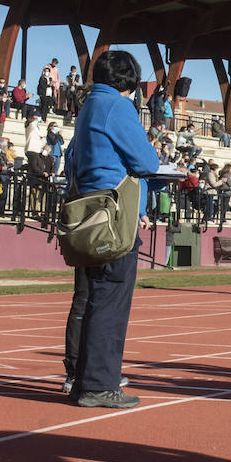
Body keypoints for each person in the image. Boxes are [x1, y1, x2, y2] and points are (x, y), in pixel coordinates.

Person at [63, 50, 159, 409]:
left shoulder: (88, 106)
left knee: (90, 299)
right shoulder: (118, 107)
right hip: (115, 213)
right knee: (111, 298)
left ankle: (83, 379)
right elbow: (147, 161)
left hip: (88, 209)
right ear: (128, 81)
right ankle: (100, 384)